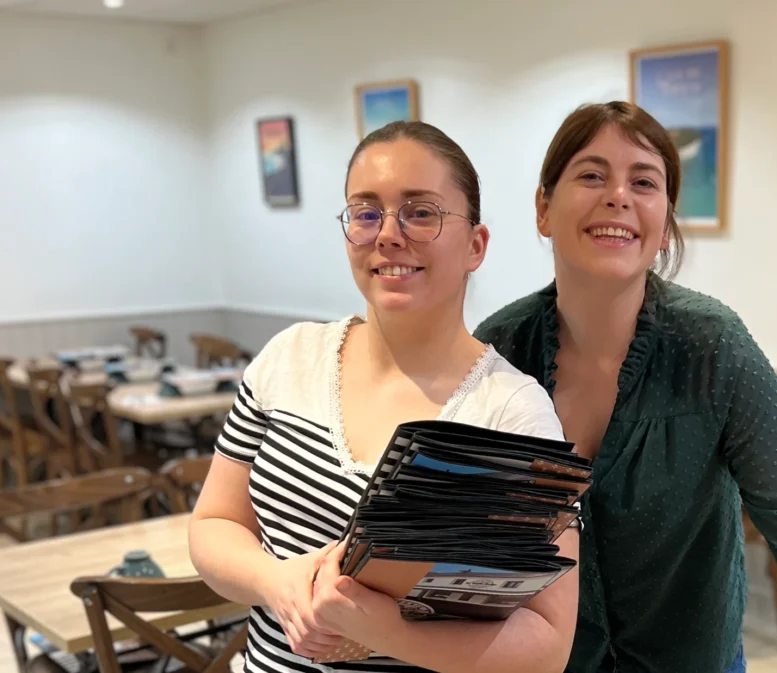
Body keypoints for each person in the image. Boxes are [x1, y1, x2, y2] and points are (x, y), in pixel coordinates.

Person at [473, 101, 777, 673]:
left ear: (664, 225)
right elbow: (462, 535)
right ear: (543, 208)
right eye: (592, 175)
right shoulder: (501, 348)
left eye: (644, 182)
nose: (618, 196)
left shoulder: (714, 345)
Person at [189, 121, 579, 673]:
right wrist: (276, 581)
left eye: (420, 212)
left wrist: (378, 627)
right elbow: (214, 524)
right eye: (366, 212)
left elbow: (547, 645)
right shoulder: (289, 358)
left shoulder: (511, 412)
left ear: (475, 246)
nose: (388, 234)